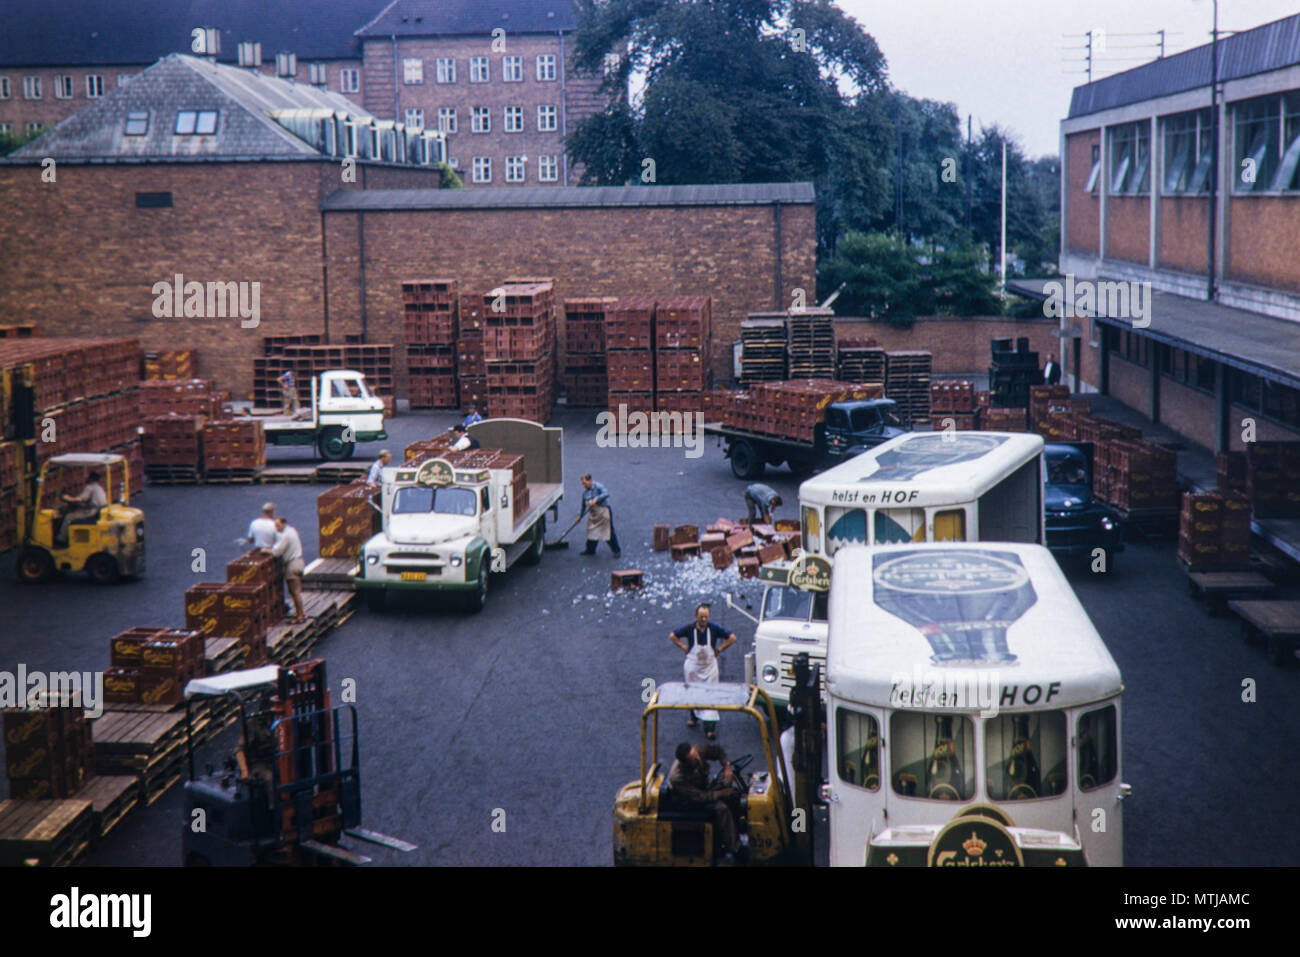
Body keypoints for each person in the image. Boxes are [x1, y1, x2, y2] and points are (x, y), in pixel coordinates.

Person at [670, 604, 737, 740]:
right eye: (701, 617)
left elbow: (732, 638)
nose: (703, 620)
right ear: (696, 616)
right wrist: (683, 646)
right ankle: (693, 717)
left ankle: (709, 729)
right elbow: (672, 636)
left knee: (710, 695)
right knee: (692, 692)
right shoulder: (689, 628)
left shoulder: (714, 628)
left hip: (709, 667)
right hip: (693, 667)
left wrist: (719, 649)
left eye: (706, 617)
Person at [668, 741, 740, 863]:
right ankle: (735, 848)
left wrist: (727, 767)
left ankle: (734, 830)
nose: (697, 758)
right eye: (692, 759)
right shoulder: (678, 778)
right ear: (684, 762)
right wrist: (721, 793)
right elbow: (699, 797)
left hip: (703, 788)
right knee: (722, 809)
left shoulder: (698, 751)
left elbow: (718, 751)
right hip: (688, 801)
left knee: (734, 793)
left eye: (695, 754)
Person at [266, 516, 306, 624]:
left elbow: (277, 551)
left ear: (284, 524)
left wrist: (266, 550)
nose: (276, 527)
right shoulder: (292, 531)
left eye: (278, 525)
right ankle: (301, 613)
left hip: (292, 565)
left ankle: (300, 616)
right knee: (295, 591)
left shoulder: (286, 536)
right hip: (299, 562)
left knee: (294, 592)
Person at [57, 469, 107, 546]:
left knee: (69, 517)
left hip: (91, 512)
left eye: (88, 477)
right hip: (96, 511)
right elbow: (86, 501)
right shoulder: (99, 488)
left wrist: (68, 498)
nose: (86, 479)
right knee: (75, 513)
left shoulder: (90, 487)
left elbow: (81, 499)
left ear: (91, 479)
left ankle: (61, 539)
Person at [579, 474, 621, 557]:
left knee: (608, 531)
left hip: (603, 511)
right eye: (582, 484)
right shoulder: (585, 493)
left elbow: (606, 494)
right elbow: (583, 506)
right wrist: (580, 516)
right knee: (592, 531)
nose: (584, 485)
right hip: (594, 514)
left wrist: (597, 499)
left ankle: (616, 551)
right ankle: (590, 550)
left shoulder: (598, 486)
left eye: (585, 483)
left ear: (590, 480)